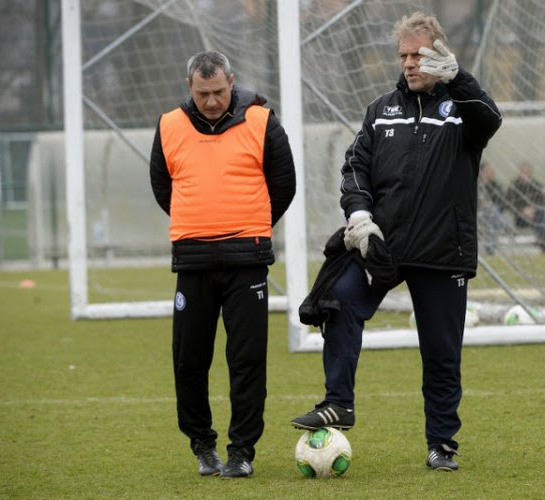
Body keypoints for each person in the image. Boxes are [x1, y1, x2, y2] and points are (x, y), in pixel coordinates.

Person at [290, 11, 501, 471]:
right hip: (383, 247)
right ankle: (338, 402)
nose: (409, 63)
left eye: (418, 54)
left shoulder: (462, 112)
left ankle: (441, 444)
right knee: (340, 300)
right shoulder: (380, 110)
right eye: (403, 54)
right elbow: (354, 168)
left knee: (441, 353)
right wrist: (360, 216)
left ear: (438, 53)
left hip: (444, 252)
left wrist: (460, 79)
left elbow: (491, 121)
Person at [149, 51, 296, 478]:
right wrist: (197, 221)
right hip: (192, 261)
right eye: (202, 93)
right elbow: (163, 186)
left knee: (247, 359)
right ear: (189, 87)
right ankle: (202, 446)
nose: (211, 101)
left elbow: (283, 184)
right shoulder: (169, 125)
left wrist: (249, 222)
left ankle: (242, 451)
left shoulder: (263, 121)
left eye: (218, 92)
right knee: (189, 360)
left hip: (246, 260)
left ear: (231, 82)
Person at [506, 162, 545, 252]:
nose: (524, 173)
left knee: (541, 214)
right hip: (520, 218)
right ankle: (543, 242)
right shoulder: (514, 185)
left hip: (536, 216)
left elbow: (544, 201)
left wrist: (533, 209)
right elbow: (508, 203)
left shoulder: (536, 185)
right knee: (542, 219)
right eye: (522, 171)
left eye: (526, 171)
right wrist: (523, 210)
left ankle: (542, 241)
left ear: (530, 173)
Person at [478, 162, 507, 255]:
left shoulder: (496, 186)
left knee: (491, 213)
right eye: (488, 171)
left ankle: (490, 248)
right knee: (491, 212)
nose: (490, 173)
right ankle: (505, 225)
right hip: (477, 214)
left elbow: (503, 202)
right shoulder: (475, 184)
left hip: (492, 215)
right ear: (481, 172)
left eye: (491, 171)